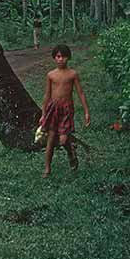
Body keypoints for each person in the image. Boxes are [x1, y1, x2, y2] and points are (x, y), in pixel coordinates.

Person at [40, 44, 90, 177]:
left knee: (62, 140)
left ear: (68, 58)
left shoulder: (72, 74)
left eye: (63, 56)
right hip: (53, 109)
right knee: (50, 139)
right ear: (54, 58)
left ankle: (70, 153)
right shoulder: (51, 75)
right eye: (58, 56)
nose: (61, 59)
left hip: (66, 110)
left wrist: (86, 112)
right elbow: (47, 95)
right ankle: (47, 168)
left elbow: (80, 93)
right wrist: (43, 113)